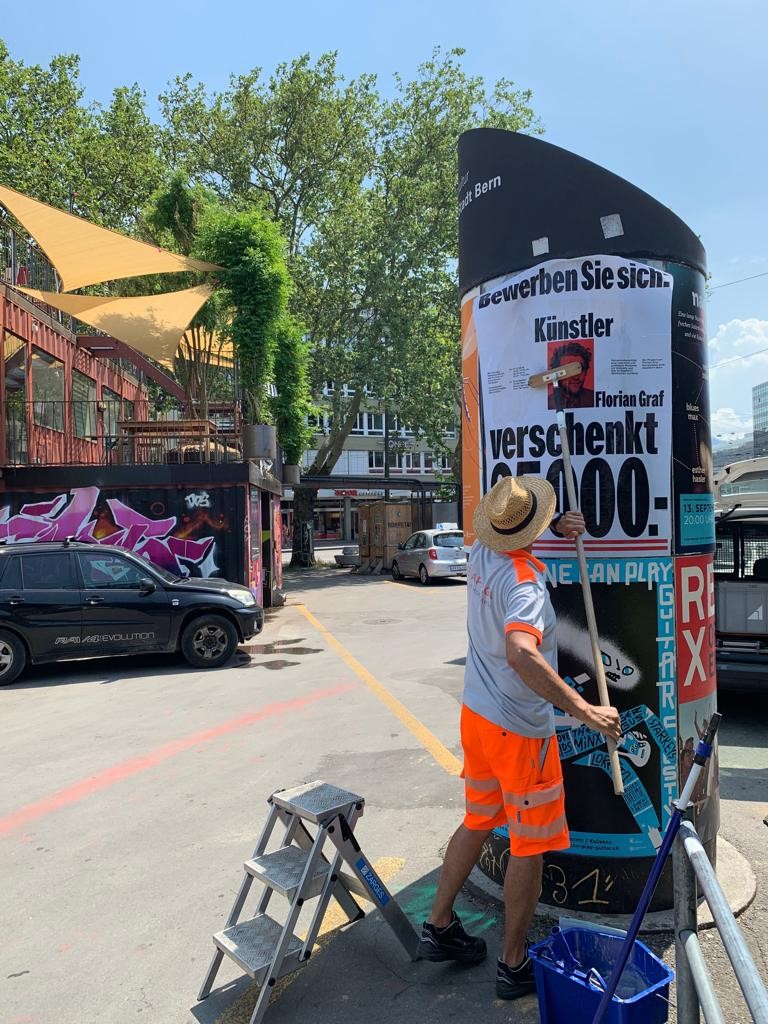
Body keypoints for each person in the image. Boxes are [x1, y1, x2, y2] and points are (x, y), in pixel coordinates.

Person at [420, 475, 622, 1000]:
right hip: (519, 732)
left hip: (477, 716)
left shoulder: (481, 552)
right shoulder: (525, 583)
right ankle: (513, 964)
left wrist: (553, 528)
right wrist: (586, 711)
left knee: (478, 820)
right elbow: (521, 652)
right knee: (529, 846)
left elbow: (512, 538)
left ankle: (438, 924)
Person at [548, 342, 595, 409]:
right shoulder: (548, 403)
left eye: (580, 369)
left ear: (586, 371)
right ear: (556, 373)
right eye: (568, 370)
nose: (576, 377)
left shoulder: (594, 398)